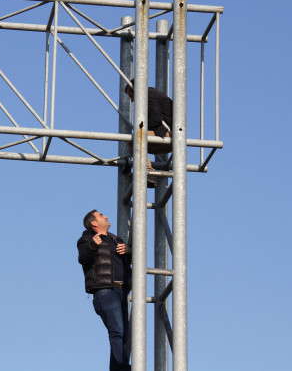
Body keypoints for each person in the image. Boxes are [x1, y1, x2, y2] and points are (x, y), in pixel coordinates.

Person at [77, 209, 131, 371]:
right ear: (94, 223)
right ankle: (121, 368)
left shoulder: (115, 239)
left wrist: (128, 251)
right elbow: (83, 257)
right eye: (101, 215)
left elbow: (130, 262)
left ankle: (119, 367)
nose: (106, 216)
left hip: (121, 291)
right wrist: (93, 244)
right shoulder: (86, 239)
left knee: (125, 335)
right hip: (105, 291)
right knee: (118, 331)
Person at [125, 83, 173, 187]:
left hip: (166, 133)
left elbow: (155, 118)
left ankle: (148, 171)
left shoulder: (150, 95)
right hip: (169, 134)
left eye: (131, 96)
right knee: (137, 140)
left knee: (134, 141)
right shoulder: (153, 94)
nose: (132, 101)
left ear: (135, 90)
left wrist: (143, 128)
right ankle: (146, 169)